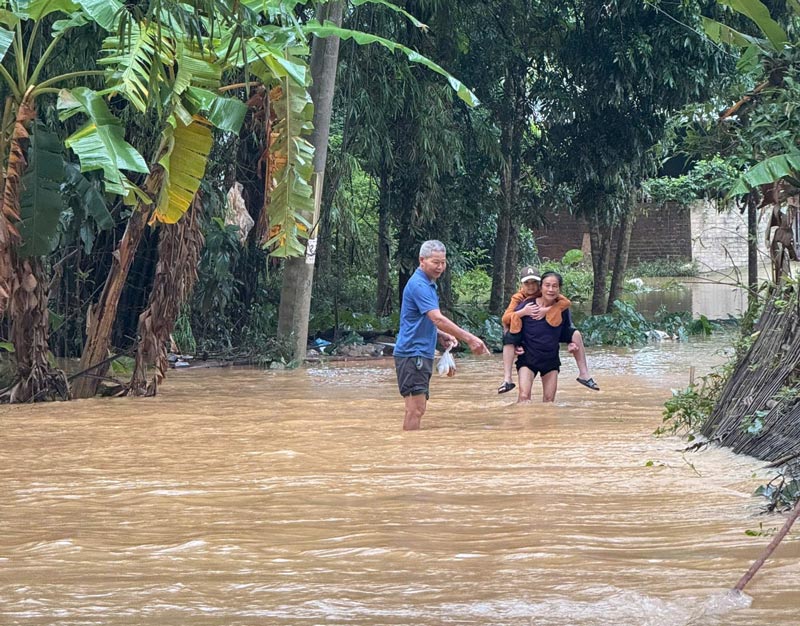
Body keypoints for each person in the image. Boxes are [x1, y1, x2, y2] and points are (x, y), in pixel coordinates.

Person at [394, 240, 490, 430]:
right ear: (422, 260)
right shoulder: (420, 285)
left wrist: (438, 335)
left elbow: (418, 319)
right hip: (413, 354)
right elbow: (437, 318)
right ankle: (409, 451)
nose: (440, 267)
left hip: (419, 352)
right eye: (435, 262)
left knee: (416, 409)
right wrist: (470, 338)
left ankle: (409, 449)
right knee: (416, 409)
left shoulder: (428, 283)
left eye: (443, 262)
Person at [498, 266, 598, 394]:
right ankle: (507, 378)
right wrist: (522, 315)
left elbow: (567, 321)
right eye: (527, 283)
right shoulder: (521, 301)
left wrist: (569, 342)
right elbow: (507, 320)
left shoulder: (558, 302)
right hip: (528, 354)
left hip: (550, 355)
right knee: (509, 339)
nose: (531, 287)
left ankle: (584, 374)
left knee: (576, 334)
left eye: (534, 282)